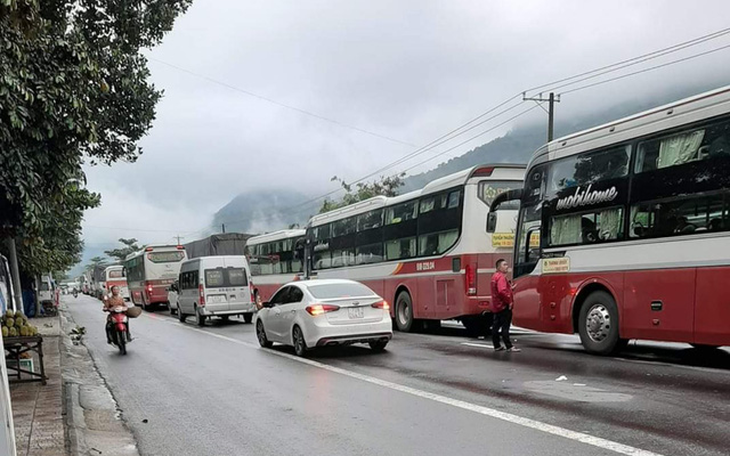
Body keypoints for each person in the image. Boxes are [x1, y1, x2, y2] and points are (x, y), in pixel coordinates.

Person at [490, 259, 520, 352]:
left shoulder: (494, 277)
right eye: (504, 265)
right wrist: (509, 301)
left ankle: (497, 345)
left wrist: (510, 288)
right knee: (505, 327)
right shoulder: (501, 277)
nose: (507, 266)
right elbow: (502, 291)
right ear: (499, 267)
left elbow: (500, 289)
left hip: (496, 306)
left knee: (495, 327)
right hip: (503, 306)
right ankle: (509, 346)